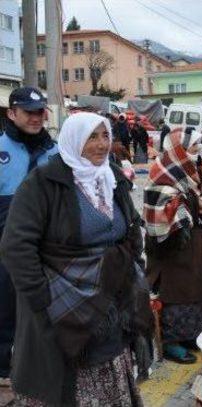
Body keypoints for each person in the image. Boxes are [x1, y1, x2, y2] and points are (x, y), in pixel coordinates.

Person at [0, 112, 153, 405]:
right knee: (68, 388)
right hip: (64, 309)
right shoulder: (43, 183)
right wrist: (42, 298)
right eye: (91, 137)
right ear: (73, 140)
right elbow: (15, 246)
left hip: (110, 309)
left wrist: (134, 269)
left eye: (105, 135)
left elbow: (129, 225)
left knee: (110, 376)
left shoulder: (111, 176)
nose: (102, 144)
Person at [144, 128, 202, 364]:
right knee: (178, 295)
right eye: (192, 148)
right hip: (173, 251)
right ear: (178, 150)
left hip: (196, 245)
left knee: (199, 291)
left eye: (198, 147)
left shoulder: (193, 172)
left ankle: (192, 335)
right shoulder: (162, 174)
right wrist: (193, 203)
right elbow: (158, 214)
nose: (197, 153)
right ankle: (172, 342)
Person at [0, 87, 59, 385]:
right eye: (28, 112)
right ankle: (3, 369)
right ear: (11, 113)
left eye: (40, 111)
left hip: (49, 248)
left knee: (44, 305)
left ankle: (43, 362)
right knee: (5, 308)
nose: (37, 118)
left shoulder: (55, 151)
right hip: (6, 248)